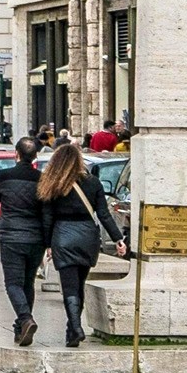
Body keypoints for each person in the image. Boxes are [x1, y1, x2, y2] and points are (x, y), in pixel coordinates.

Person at [39, 144, 128, 347]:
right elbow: (103, 214)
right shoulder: (93, 182)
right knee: (79, 284)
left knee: (69, 286)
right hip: (87, 236)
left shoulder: (52, 183)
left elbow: (47, 218)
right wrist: (118, 239)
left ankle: (75, 327)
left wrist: (48, 244)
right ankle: (73, 330)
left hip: (63, 235)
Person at [0, 137, 47, 345]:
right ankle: (20, 328)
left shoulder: (4, 175)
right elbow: (46, 210)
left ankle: (25, 319)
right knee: (28, 282)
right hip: (35, 238)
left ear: (16, 154)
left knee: (13, 283)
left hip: (12, 237)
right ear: (35, 157)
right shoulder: (41, 179)